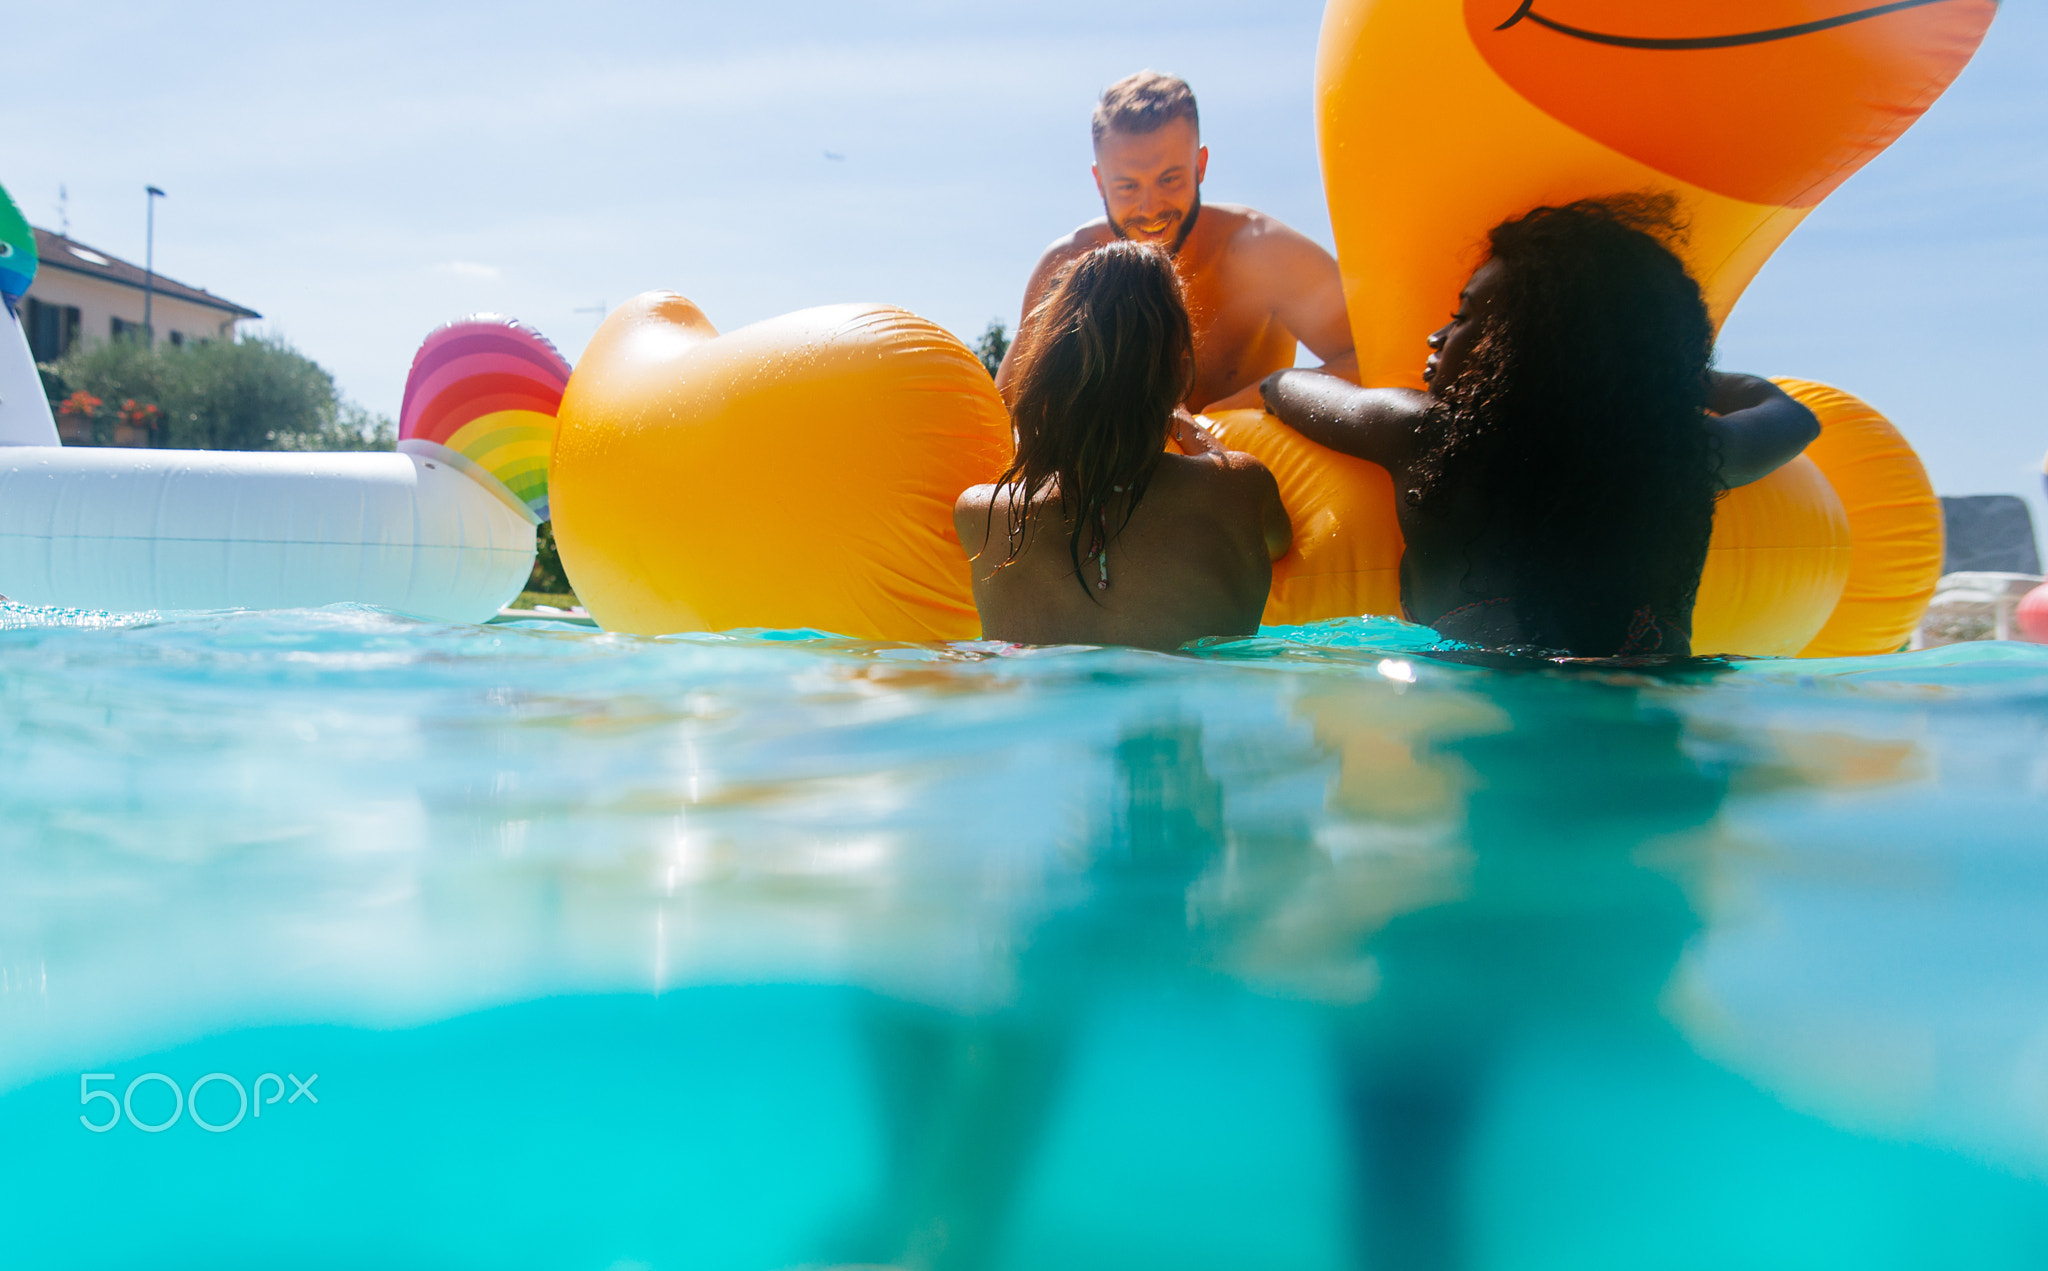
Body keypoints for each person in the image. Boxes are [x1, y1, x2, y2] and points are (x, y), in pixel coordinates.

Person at [1259, 195, 1820, 657]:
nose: (1437, 338)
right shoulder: (1686, 456)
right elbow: (1793, 417)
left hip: (1495, 715)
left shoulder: (1432, 436)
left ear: (1521, 348)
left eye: (1463, 318)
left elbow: (1282, 387)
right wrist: (1662, 382)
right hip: (1653, 713)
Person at [956, 241, 1290, 651]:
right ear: (1181, 367)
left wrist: (1041, 430)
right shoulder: (1241, 487)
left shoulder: (980, 516)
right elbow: (1278, 543)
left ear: (1047, 372)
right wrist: (1189, 429)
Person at [995, 70, 1357, 415]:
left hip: (1251, 469)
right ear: (1099, 181)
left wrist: (1260, 398)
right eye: (1127, 186)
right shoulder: (1068, 267)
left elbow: (1373, 359)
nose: (1150, 208)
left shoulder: (1264, 255)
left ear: (1200, 166)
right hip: (1121, 477)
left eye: (1169, 180)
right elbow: (1005, 411)